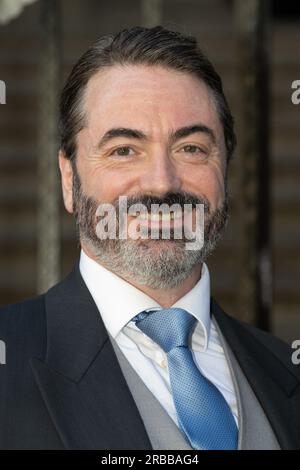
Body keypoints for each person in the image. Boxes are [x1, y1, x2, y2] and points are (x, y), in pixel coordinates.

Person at [0, 25, 299, 450]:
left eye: (191, 148)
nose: (162, 184)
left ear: (225, 170)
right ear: (69, 179)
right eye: (124, 149)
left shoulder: (286, 371)